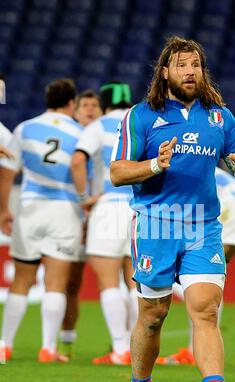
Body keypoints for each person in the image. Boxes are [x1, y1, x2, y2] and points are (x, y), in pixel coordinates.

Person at [110, 36, 235, 382]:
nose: (189, 71)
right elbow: (117, 172)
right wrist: (155, 166)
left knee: (205, 310)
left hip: (203, 226)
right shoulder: (141, 115)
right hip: (155, 225)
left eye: (195, 65)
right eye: (181, 65)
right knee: (154, 315)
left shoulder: (219, 117)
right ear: (165, 72)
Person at [0, 78, 84, 363]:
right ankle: (48, 348)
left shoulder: (25, 128)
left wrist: (3, 211)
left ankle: (5, 345)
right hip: (65, 210)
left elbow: (8, 172)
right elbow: (84, 173)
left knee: (22, 280)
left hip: (29, 207)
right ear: (71, 103)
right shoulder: (80, 133)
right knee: (55, 283)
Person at [159, 166, 235, 364]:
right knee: (211, 275)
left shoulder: (176, 168)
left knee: (202, 277)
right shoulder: (200, 160)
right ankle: (195, 349)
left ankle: (194, 351)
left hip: (231, 208)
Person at [71, 81, 138, 365]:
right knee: (136, 283)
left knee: (109, 282)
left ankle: (120, 349)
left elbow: (77, 160)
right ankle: (138, 347)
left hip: (108, 206)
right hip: (138, 209)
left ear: (104, 102)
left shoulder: (97, 127)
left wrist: (85, 196)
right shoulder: (140, 122)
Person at [60, 89, 102, 356]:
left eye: (93, 105)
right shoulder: (71, 139)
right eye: (84, 105)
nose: (89, 109)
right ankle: (67, 339)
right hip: (75, 215)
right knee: (70, 282)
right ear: (75, 111)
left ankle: (123, 343)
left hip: (104, 214)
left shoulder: (107, 136)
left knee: (119, 280)